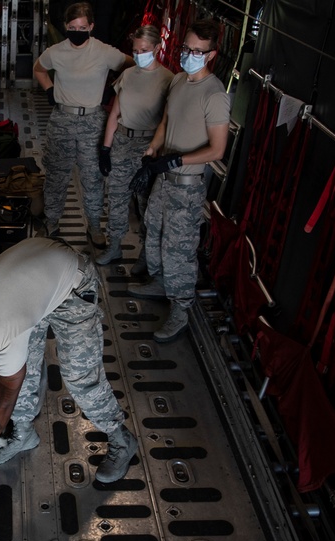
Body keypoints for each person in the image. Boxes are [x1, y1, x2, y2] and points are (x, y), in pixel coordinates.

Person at [0, 237, 139, 483]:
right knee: (23, 366)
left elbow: (5, 399)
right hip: (33, 271)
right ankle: (23, 434)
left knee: (79, 376)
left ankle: (121, 438)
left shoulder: (5, 329)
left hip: (72, 284)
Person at [126, 19, 231, 343]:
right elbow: (167, 120)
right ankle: (159, 281)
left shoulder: (215, 95)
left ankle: (181, 309)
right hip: (164, 177)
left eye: (198, 51)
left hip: (186, 185)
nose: (189, 55)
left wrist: (179, 159)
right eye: (186, 48)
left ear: (211, 55)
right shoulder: (179, 82)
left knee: (179, 249)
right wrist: (152, 149)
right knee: (153, 232)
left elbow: (217, 148)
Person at [33, 2, 132, 241]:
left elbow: (132, 65)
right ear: (66, 26)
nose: (78, 31)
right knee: (56, 175)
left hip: (92, 121)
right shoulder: (56, 52)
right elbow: (39, 69)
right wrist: (49, 89)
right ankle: (51, 221)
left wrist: (114, 89)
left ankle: (94, 226)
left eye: (83, 27)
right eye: (73, 27)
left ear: (91, 26)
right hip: (62, 120)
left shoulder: (103, 51)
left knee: (93, 177)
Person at [96, 25, 172, 267]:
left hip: (147, 146)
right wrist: (106, 149)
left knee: (146, 204)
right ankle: (114, 247)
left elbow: (167, 122)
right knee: (117, 198)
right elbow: (114, 113)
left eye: (144, 50)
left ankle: (146, 256)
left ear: (158, 49)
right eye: (135, 50)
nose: (139, 55)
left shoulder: (169, 80)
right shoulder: (128, 75)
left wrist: (155, 155)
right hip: (122, 141)